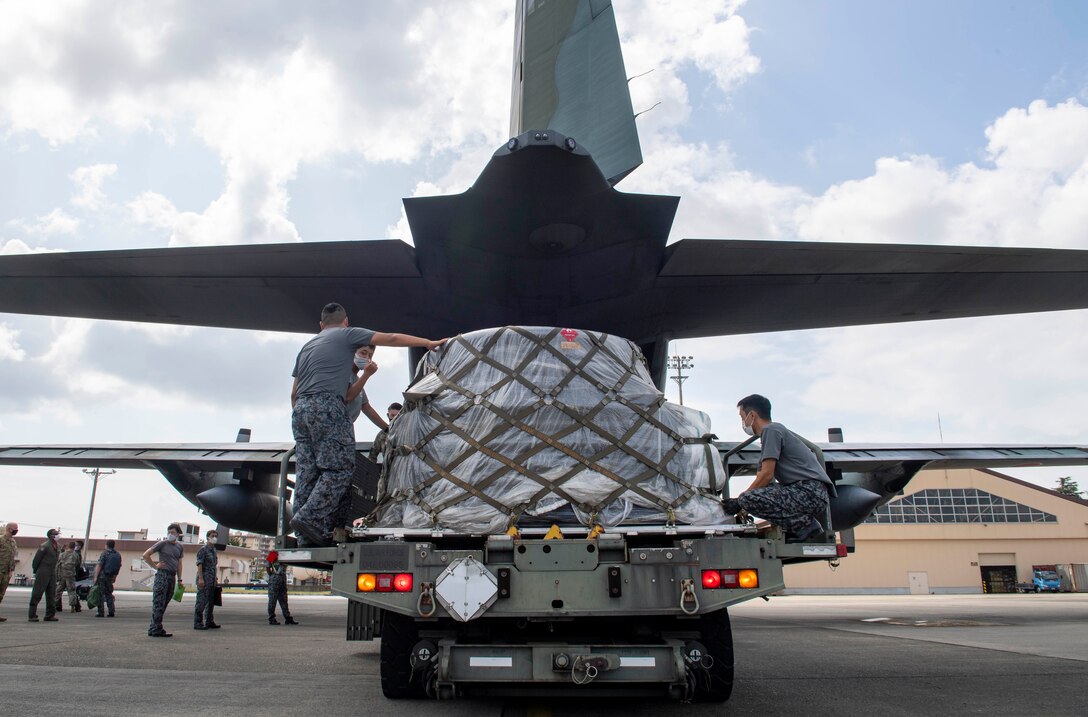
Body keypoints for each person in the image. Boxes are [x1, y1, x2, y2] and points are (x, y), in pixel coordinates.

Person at [289, 302, 446, 546]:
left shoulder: (307, 347)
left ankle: (304, 535)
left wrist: (305, 416)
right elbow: (391, 338)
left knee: (308, 473)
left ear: (321, 325)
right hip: (329, 405)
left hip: (300, 409)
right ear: (346, 322)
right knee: (339, 470)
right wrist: (427, 343)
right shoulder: (347, 335)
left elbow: (293, 393)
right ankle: (310, 517)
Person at [723, 394, 838, 543]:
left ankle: (805, 525)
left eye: (742, 417)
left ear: (752, 415)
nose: (743, 423)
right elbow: (762, 478)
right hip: (806, 492)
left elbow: (766, 474)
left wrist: (739, 502)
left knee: (748, 498)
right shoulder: (771, 433)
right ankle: (797, 525)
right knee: (751, 496)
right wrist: (740, 505)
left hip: (809, 492)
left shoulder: (771, 430)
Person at [142, 523, 185, 637]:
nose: (171, 535)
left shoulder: (179, 547)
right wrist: (155, 566)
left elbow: (179, 564)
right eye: (169, 532)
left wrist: (180, 579)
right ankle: (156, 628)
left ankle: (154, 626)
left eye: (173, 533)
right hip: (162, 575)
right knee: (159, 602)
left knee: (165, 601)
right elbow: (146, 555)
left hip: (172, 576)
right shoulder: (162, 544)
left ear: (178, 534)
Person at [28, 528, 60, 622]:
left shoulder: (57, 546)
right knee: (37, 593)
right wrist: (36, 571)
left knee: (51, 593)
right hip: (43, 571)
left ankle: (50, 615)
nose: (58, 535)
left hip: (52, 572)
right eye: (56, 534)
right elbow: (36, 560)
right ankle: (32, 615)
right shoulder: (44, 546)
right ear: (51, 536)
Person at [193, 528, 220, 630]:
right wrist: (200, 578)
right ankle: (198, 622)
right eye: (213, 536)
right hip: (204, 579)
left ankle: (209, 621)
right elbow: (199, 564)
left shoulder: (214, 550)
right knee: (201, 601)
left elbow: (214, 565)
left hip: (211, 579)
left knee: (210, 602)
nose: (214, 538)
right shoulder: (203, 550)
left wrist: (215, 578)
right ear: (208, 537)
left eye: (216, 536)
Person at [265, 551, 297, 625]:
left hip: (282, 579)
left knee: (284, 600)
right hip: (275, 579)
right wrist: (273, 576)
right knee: (272, 600)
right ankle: (271, 618)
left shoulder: (286, 554)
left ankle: (288, 618)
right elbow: (267, 566)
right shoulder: (273, 554)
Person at [93, 539, 122, 618]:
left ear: (106, 545)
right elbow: (118, 566)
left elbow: (99, 565)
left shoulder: (104, 553)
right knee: (109, 594)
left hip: (102, 576)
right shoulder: (117, 554)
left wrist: (95, 576)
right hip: (110, 576)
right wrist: (115, 577)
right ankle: (111, 611)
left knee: (100, 594)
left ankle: (100, 612)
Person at [55, 541, 81, 613]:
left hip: (62, 574)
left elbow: (58, 564)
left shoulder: (62, 554)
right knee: (72, 591)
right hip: (71, 575)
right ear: (74, 547)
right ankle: (72, 607)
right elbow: (77, 564)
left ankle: (54, 605)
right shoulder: (75, 555)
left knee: (58, 591)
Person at [0, 522, 18, 621]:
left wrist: (11, 570)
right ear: (9, 529)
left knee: (1, 594)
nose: (17, 530)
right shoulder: (1, 540)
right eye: (15, 528)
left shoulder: (13, 542)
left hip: (6, 572)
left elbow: (13, 557)